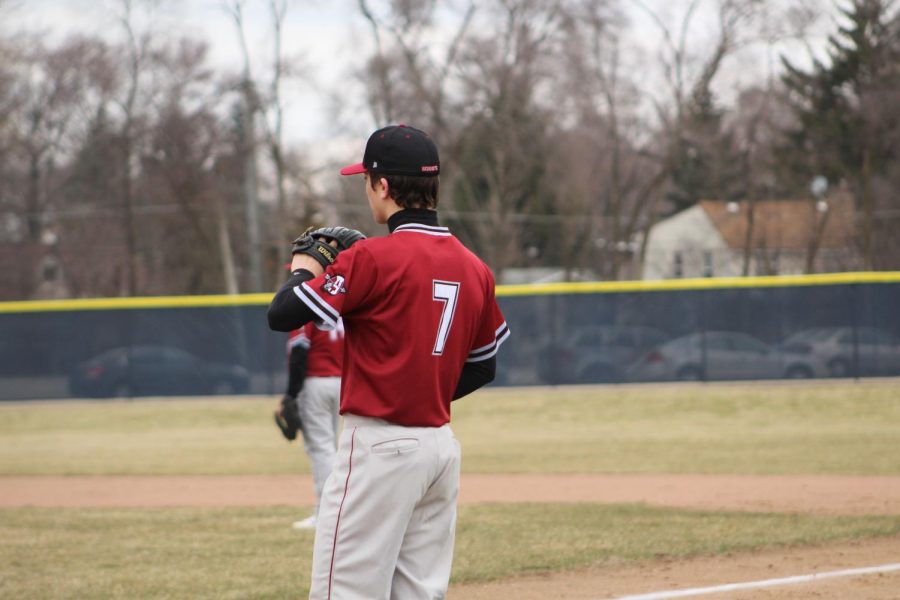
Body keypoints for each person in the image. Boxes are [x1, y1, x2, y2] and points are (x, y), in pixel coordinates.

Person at [267, 123, 509, 599]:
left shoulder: (373, 258)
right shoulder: (475, 267)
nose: (367, 190)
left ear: (382, 185)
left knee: (345, 593)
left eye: (366, 181)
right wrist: (425, 387)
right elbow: (484, 365)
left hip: (379, 448)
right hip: (439, 449)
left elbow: (282, 314)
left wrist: (305, 267)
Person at [274, 319, 345, 530]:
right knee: (333, 446)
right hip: (343, 382)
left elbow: (299, 353)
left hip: (316, 383)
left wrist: (291, 394)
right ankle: (341, 509)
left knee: (321, 449)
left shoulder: (305, 309)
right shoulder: (339, 307)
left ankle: (327, 513)